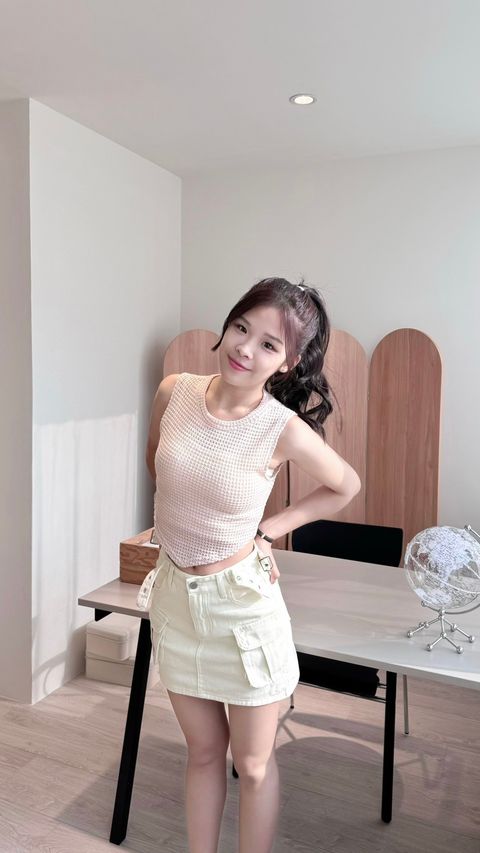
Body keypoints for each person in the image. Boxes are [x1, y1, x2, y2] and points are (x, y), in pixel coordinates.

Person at [145, 277, 361, 853]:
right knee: (202, 754)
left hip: (242, 609)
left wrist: (269, 530)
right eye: (241, 327)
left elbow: (345, 485)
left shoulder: (281, 428)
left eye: (269, 344)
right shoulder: (174, 391)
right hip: (174, 598)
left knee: (254, 764)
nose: (244, 348)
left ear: (288, 362)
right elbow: (158, 467)